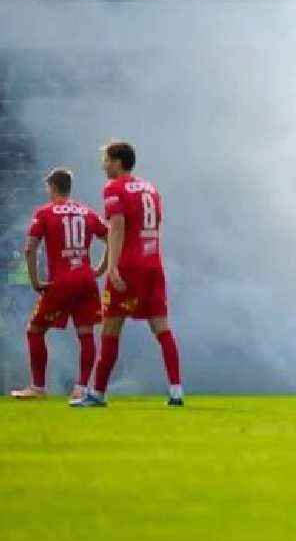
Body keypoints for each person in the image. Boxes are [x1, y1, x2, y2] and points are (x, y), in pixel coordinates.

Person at [77, 142, 183, 408]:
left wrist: (111, 267)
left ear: (117, 161)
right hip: (153, 265)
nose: (103, 165)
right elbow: (151, 225)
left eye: (106, 160)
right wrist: (105, 261)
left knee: (111, 327)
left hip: (129, 266)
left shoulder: (114, 188)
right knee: (162, 329)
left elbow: (117, 228)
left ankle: (98, 393)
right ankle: (176, 391)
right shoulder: (152, 189)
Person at [9, 168, 106, 402]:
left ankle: (38, 387)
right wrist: (101, 269)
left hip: (61, 281)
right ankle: (82, 387)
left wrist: (35, 280)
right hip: (85, 279)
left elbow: (30, 247)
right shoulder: (86, 212)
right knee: (85, 333)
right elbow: (111, 237)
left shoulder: (44, 212)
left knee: (35, 330)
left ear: (52, 187)